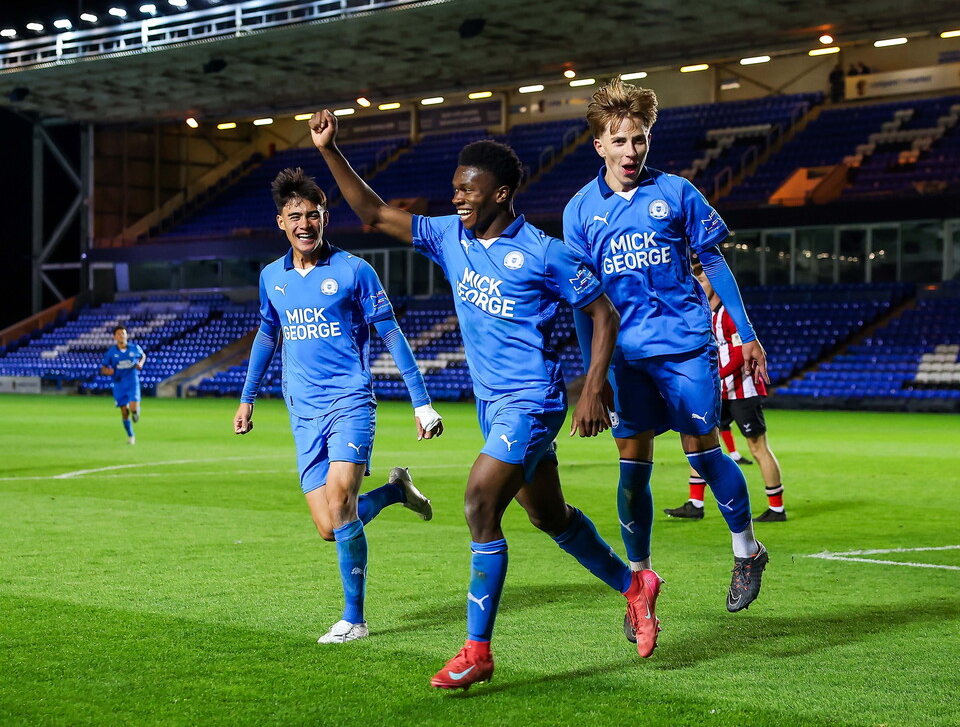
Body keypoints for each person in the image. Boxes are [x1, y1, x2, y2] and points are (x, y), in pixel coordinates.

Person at [310, 109, 659, 689]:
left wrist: (594, 388)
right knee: (550, 516)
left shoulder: (546, 254)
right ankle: (635, 586)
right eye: (453, 190)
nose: (457, 200)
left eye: (467, 190)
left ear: (500, 192)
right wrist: (330, 150)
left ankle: (477, 650)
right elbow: (372, 213)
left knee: (478, 501)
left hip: (533, 402)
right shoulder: (449, 237)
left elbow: (604, 313)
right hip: (493, 407)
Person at [562, 76, 771, 639]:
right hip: (626, 362)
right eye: (621, 141)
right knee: (632, 469)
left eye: (640, 139)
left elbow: (717, 264)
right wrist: (593, 379)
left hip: (684, 348)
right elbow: (585, 304)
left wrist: (747, 334)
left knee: (703, 454)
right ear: (599, 145)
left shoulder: (676, 192)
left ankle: (747, 550)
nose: (632, 151)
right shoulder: (579, 212)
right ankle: (638, 585)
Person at [233, 167, 444, 645]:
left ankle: (354, 619)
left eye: (313, 214)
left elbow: (391, 333)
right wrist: (247, 398)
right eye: (295, 217)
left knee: (342, 503)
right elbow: (268, 335)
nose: (305, 224)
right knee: (329, 527)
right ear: (280, 223)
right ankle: (394, 492)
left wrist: (421, 402)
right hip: (301, 411)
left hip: (350, 402)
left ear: (326, 217)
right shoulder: (272, 277)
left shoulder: (354, 270)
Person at [665, 260, 786, 522]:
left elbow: (739, 354)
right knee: (699, 443)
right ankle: (695, 504)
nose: (698, 283)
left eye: (703, 278)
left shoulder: (730, 314)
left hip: (743, 390)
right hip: (718, 391)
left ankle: (777, 508)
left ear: (716, 283)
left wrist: (712, 376)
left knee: (757, 447)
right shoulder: (701, 313)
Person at [100, 324, 146, 445]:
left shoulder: (134, 348)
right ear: (115, 337)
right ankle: (131, 435)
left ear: (126, 335)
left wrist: (140, 363)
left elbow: (143, 356)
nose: (121, 336)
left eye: (123, 333)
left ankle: (136, 412)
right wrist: (108, 371)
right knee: (124, 411)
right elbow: (103, 368)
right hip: (119, 383)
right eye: (119, 334)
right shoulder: (111, 352)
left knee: (133, 408)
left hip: (132, 382)